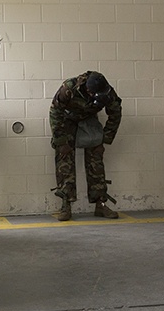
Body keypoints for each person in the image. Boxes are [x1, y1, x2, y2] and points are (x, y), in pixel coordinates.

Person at [50, 71, 122, 221]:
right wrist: (61, 141)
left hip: (88, 120)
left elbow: (115, 113)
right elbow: (55, 112)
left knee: (96, 158)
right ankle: (66, 204)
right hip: (66, 120)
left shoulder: (107, 91)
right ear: (89, 91)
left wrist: (105, 139)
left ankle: (100, 203)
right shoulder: (68, 88)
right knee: (64, 159)